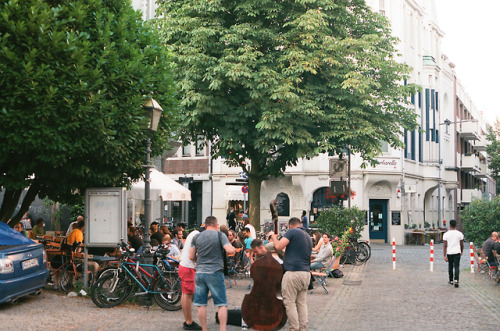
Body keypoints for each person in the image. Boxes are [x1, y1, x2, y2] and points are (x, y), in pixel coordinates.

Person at [190, 216, 235, 331]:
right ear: (216, 225)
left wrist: (198, 260)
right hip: (215, 272)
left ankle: (204, 329)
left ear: (205, 225)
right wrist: (233, 250)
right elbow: (229, 250)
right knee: (221, 304)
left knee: (201, 304)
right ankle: (222, 329)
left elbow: (191, 256)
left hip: (200, 272)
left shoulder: (196, 237)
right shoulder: (220, 235)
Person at [269, 217, 313, 330]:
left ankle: (294, 328)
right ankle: (303, 328)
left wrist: (273, 236)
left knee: (289, 303)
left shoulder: (292, 231)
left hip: (293, 274)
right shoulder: (307, 236)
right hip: (306, 274)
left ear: (290, 225)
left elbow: (278, 246)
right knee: (301, 303)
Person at [179, 226, 203, 330]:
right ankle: (188, 322)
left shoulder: (193, 233)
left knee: (185, 294)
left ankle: (187, 320)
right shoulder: (198, 236)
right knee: (187, 295)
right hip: (189, 267)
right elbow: (192, 256)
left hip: (184, 266)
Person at [443, 220, 464, 288]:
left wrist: (444, 255)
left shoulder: (446, 234)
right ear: (456, 225)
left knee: (450, 266)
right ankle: (456, 280)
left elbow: (445, 245)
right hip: (457, 251)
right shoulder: (459, 234)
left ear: (449, 225)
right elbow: (461, 244)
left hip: (449, 252)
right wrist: (461, 251)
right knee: (457, 266)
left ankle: (451, 280)